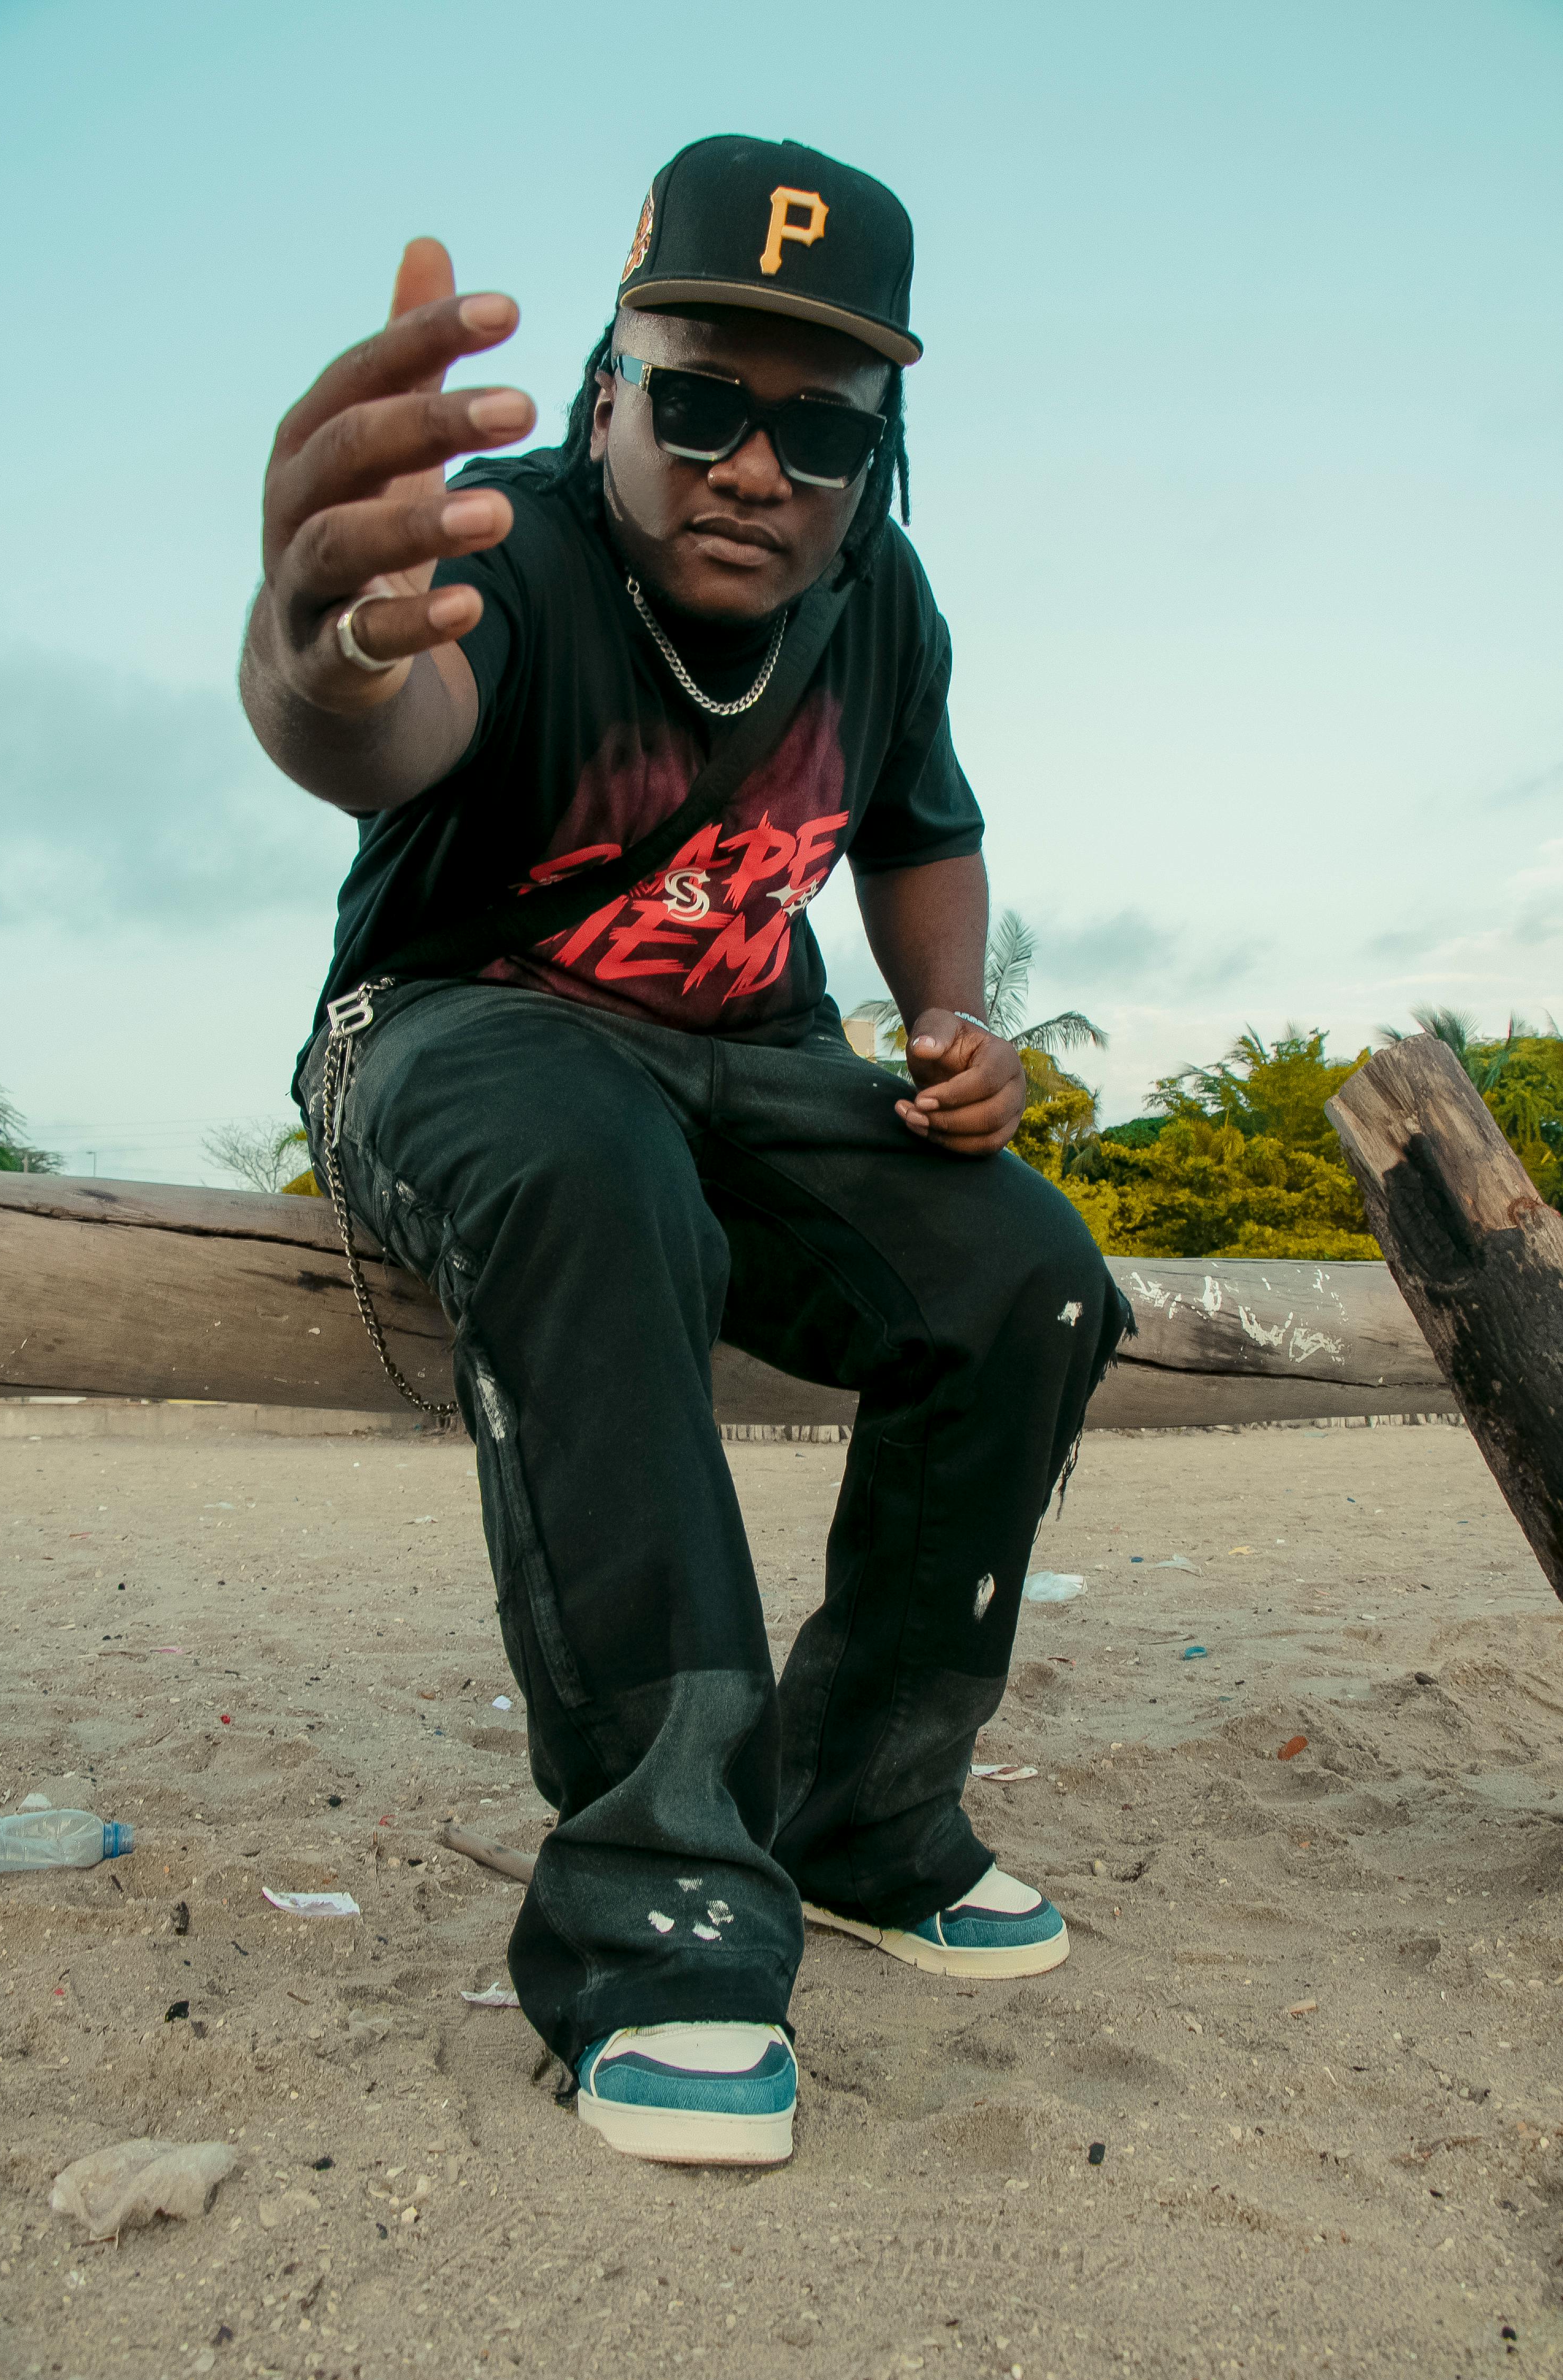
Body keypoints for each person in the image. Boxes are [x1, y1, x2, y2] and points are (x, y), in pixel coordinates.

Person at [241, 134, 1129, 2170]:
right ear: (609, 389)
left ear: (879, 451)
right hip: (468, 1029)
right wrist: (317, 642)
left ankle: (863, 1812)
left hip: (754, 1059)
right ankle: (657, 1898)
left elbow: (921, 830)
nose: (756, 467)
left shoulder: (878, 599)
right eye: (704, 399)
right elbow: (373, 716)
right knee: (588, 1169)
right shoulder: (513, 552)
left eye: (820, 429)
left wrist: (953, 1022)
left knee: (1037, 1276)